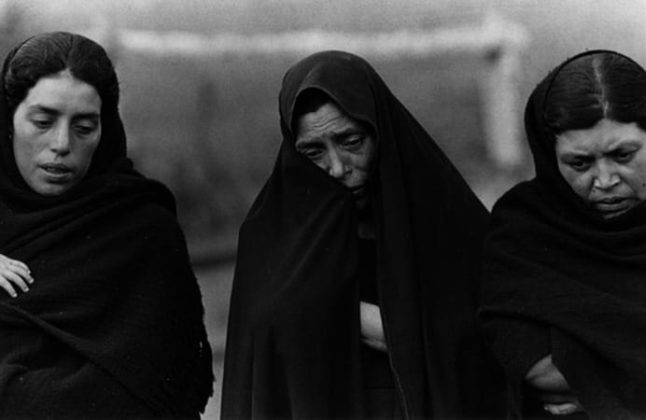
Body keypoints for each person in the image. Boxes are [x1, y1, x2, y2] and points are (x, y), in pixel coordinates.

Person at [221, 50, 504, 419]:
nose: (337, 168)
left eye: (352, 142)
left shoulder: (445, 218)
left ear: (380, 131)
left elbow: (488, 337)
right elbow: (260, 363)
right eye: (313, 151)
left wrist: (329, 311)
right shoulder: (269, 236)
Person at [0, 32, 213, 418]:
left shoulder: (143, 228)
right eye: (43, 121)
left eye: (84, 127)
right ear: (9, 121)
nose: (62, 144)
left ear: (106, 129)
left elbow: (159, 383)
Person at [480, 50, 646, 419]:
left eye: (623, 155)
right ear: (548, 155)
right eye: (580, 163)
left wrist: (595, 390)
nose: (604, 181)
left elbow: (566, 373)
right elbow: (534, 365)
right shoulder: (522, 229)